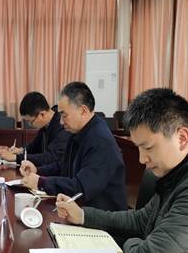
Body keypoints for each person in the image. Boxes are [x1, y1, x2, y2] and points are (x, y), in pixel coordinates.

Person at [55, 88, 188, 253]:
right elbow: (143, 220)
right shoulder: (182, 170)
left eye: (148, 147)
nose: (142, 159)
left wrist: (132, 243)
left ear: (182, 138)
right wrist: (83, 215)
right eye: (139, 148)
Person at [20, 81, 127, 211]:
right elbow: (63, 166)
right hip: (81, 209)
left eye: (64, 115)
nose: (61, 122)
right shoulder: (78, 131)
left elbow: (81, 188)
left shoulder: (100, 141)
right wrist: (37, 171)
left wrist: (41, 182)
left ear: (83, 111)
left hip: (102, 216)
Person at [0, 91, 68, 166]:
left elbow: (50, 157)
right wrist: (21, 150)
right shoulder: (46, 124)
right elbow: (34, 146)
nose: (30, 125)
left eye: (30, 121)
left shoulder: (63, 126)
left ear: (42, 114)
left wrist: (16, 158)